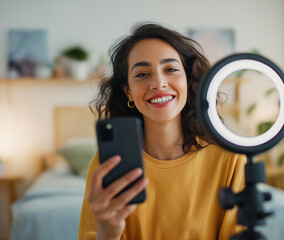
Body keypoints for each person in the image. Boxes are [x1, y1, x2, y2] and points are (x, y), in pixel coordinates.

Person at [78, 23, 246, 240]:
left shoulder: (230, 159)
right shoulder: (107, 165)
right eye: (142, 74)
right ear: (128, 91)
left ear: (188, 79)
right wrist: (108, 232)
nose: (158, 83)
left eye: (171, 69)